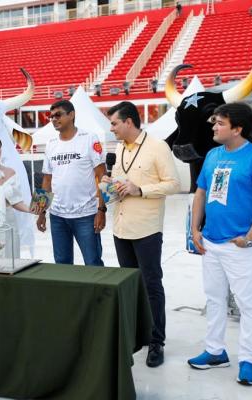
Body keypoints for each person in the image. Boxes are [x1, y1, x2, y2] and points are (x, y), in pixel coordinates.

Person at [188, 103, 252, 386]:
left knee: (248, 304)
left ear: (237, 128)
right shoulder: (213, 155)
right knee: (214, 299)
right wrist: (195, 229)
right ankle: (215, 351)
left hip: (239, 245)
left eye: (220, 123)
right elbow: (201, 193)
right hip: (211, 242)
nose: (214, 127)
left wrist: (251, 236)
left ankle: (248, 360)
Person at [105, 101, 180, 367]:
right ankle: (136, 336)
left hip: (146, 229)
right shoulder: (118, 149)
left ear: (128, 121)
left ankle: (156, 341)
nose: (111, 128)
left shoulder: (157, 147)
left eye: (114, 123)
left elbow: (174, 184)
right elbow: (119, 184)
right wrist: (109, 188)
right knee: (130, 285)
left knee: (151, 285)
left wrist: (140, 189)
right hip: (121, 228)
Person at [36, 100, 106, 266]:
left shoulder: (89, 138)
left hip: (86, 215)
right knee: (61, 264)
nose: (53, 119)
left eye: (58, 115)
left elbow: (102, 176)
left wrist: (102, 210)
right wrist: (41, 212)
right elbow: (46, 180)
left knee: (93, 263)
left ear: (72, 114)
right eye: (51, 116)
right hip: (57, 216)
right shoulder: (51, 144)